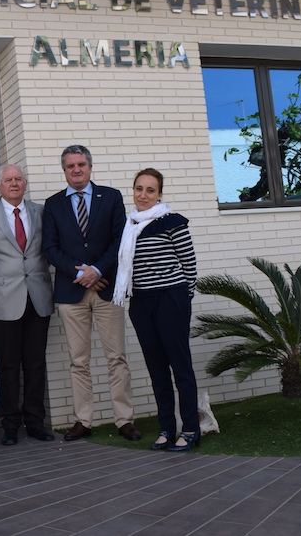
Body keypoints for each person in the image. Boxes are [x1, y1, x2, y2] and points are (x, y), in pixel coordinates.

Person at [42, 145, 140, 442]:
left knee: (116, 358)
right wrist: (80, 274)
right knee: (78, 360)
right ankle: (83, 420)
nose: (76, 170)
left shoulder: (110, 197)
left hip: (107, 288)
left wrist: (97, 270)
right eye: (70, 166)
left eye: (81, 164)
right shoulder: (53, 204)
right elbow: (50, 248)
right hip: (71, 294)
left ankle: (124, 419)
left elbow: (119, 240)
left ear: (90, 167)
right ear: (64, 170)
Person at [112, 167, 200, 451]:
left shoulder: (172, 222)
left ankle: (190, 429)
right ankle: (166, 427)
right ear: (133, 190)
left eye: (151, 190)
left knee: (180, 366)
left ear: (159, 194)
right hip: (141, 303)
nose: (143, 195)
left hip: (170, 300)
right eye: (139, 188)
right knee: (157, 368)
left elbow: (190, 266)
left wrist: (181, 300)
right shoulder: (129, 225)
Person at [0, 165, 55, 445]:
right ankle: (9, 425)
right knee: (7, 366)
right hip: (2, 301)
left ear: (25, 184)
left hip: (38, 299)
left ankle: (35, 423)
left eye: (18, 179)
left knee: (35, 364)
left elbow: (46, 251)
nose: (14, 183)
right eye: (8, 180)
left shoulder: (41, 212)